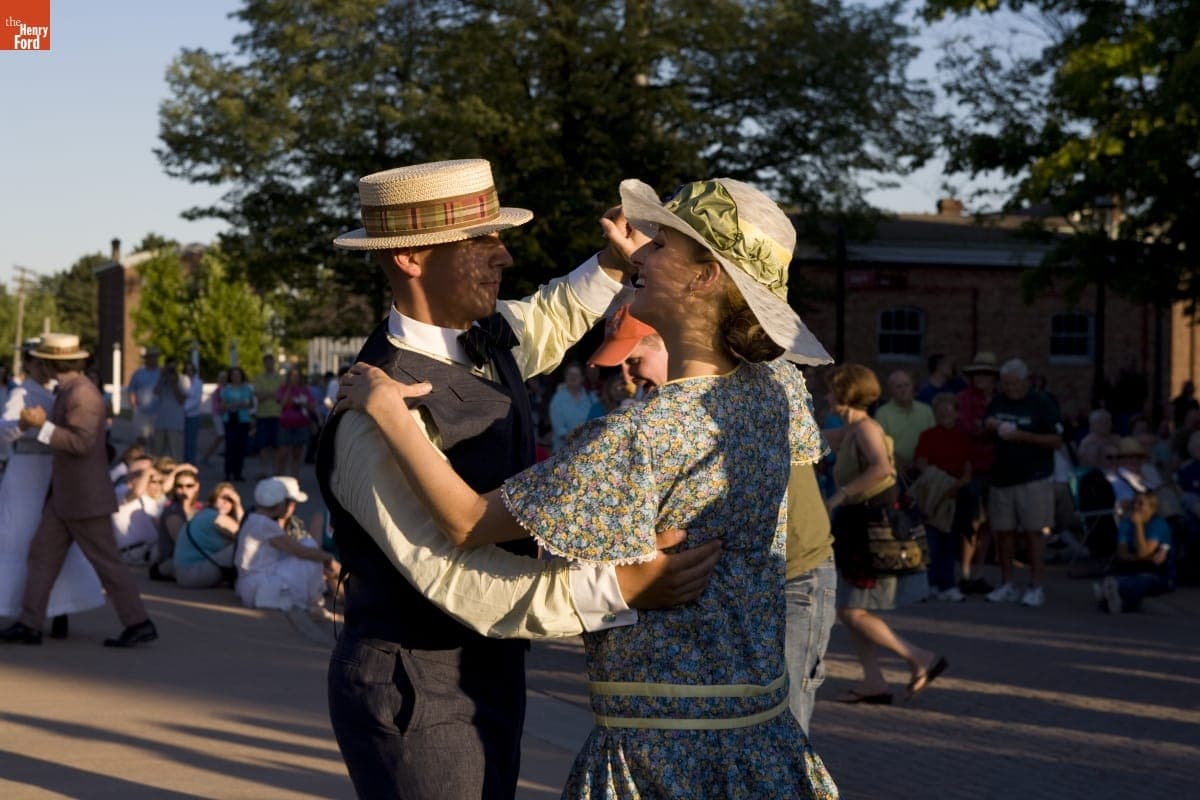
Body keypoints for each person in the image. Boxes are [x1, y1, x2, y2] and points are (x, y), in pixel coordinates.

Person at [334, 174, 840, 797]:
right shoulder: (774, 385)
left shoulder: (520, 359)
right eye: (483, 239)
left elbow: (546, 319)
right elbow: (449, 573)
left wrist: (612, 264)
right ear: (410, 258)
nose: (507, 254)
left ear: (707, 276)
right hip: (420, 683)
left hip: (568, 695)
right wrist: (617, 588)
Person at [588, 303, 838, 736]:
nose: (628, 376)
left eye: (634, 360)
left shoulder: (748, 379)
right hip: (744, 586)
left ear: (672, 341)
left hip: (794, 577)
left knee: (782, 729)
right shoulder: (657, 413)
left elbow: (759, 314)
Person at [0, 333, 157, 647]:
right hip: (66, 496)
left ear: (51, 362)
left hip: (83, 498)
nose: (39, 365)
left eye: (41, 359)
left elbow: (80, 443)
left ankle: (138, 622)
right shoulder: (71, 390)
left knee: (106, 562)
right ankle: (29, 624)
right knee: (42, 555)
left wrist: (41, 427)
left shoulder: (81, 394)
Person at [823, 364, 945, 705]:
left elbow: (882, 468)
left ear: (846, 393)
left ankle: (920, 657)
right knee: (851, 608)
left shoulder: (865, 428)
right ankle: (873, 681)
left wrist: (839, 495)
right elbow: (812, 439)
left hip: (870, 527)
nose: (827, 395)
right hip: (857, 526)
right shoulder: (850, 430)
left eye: (832, 390)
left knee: (851, 610)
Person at [0, 338, 104, 637]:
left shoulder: (62, 392)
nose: (42, 366)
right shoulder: (21, 393)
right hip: (26, 473)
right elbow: (3, 431)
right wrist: (22, 425)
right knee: (20, 538)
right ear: (31, 364)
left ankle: (61, 609)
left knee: (56, 544)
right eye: (36, 361)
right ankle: (16, 608)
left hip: (54, 472)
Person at [984, 358, 1062, 608]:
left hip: (1034, 476)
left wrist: (1022, 436)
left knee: (1033, 533)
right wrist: (992, 424)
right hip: (1002, 476)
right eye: (1006, 384)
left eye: (1015, 383)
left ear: (1026, 381)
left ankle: (1036, 585)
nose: (1010, 388)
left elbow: (1056, 440)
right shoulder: (998, 401)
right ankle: (1007, 583)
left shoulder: (1042, 402)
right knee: (1004, 533)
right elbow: (986, 425)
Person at [235, 477, 339, 614]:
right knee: (311, 549)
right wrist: (329, 559)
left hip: (251, 583)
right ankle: (315, 602)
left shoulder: (254, 519)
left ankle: (315, 601)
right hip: (259, 585)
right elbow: (300, 551)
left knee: (309, 547)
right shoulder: (265, 524)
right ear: (280, 504)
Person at [911, 392, 974, 602]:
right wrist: (939, 483)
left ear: (957, 413)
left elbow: (967, 467)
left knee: (950, 541)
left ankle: (948, 583)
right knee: (930, 542)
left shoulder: (963, 438)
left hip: (954, 494)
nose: (946, 414)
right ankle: (928, 584)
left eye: (950, 411)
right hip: (933, 493)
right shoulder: (927, 436)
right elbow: (921, 463)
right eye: (941, 411)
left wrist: (958, 484)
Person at [956, 352, 999, 594]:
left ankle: (980, 571)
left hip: (996, 467)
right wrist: (989, 428)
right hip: (972, 467)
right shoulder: (964, 399)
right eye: (978, 374)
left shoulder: (1000, 400)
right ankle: (965, 571)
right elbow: (967, 429)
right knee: (970, 521)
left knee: (989, 523)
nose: (982, 378)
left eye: (986, 374)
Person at [1098, 492, 1174, 612]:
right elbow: (1122, 554)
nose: (1136, 507)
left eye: (1141, 504)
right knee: (1123, 578)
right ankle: (1117, 597)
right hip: (1133, 569)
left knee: (1144, 580)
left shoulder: (1158, 525)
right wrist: (1143, 558)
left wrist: (1138, 525)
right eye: (1134, 503)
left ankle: (1114, 592)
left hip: (1157, 573)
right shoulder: (1126, 523)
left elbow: (1143, 552)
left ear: (1152, 509)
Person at [174, 481, 244, 588]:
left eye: (230, 500)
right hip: (193, 573)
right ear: (214, 499)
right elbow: (246, 534)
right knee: (243, 545)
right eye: (223, 498)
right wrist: (238, 505)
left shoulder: (202, 514)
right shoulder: (214, 516)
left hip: (184, 574)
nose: (226, 502)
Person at [874, 369, 935, 470]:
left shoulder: (926, 410)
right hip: (895, 469)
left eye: (907, 385)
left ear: (913, 387)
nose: (904, 390)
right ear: (891, 390)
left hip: (924, 467)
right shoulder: (882, 414)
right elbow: (880, 446)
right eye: (898, 387)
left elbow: (934, 441)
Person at [150, 466, 202, 581]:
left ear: (197, 486)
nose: (184, 490)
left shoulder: (201, 508)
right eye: (179, 486)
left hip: (192, 557)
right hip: (172, 560)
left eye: (189, 486)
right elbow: (182, 542)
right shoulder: (172, 511)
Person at [276, 367, 316, 477]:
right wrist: (289, 389)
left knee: (297, 453)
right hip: (285, 424)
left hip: (301, 424)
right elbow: (282, 403)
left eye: (296, 376)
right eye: (292, 376)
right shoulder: (283, 389)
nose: (294, 378)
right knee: (283, 453)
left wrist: (304, 404)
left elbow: (312, 406)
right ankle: (280, 476)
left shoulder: (305, 390)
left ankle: (294, 477)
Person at [548, 362, 596, 451]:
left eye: (576, 374)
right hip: (563, 450)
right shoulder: (557, 398)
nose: (573, 377)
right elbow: (558, 427)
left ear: (582, 378)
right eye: (570, 374)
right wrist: (572, 437)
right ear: (565, 377)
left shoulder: (592, 398)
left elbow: (597, 420)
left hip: (588, 448)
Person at [219, 366, 254, 482]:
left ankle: (238, 472)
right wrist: (234, 405)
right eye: (234, 375)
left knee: (241, 447)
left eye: (238, 375)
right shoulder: (227, 390)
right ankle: (228, 472)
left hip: (243, 420)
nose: (236, 378)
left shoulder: (247, 389)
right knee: (230, 446)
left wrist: (244, 405)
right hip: (230, 420)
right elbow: (222, 406)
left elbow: (251, 404)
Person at [252, 353, 284, 476]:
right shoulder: (258, 378)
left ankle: (276, 471)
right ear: (264, 364)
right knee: (263, 445)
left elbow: (280, 395)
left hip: (278, 414)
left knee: (277, 445)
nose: (269, 365)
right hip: (263, 414)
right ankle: (264, 470)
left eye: (271, 362)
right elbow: (259, 395)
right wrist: (272, 394)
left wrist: (267, 394)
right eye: (266, 362)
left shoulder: (280, 378)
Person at [152, 355, 188, 460]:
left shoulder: (183, 380)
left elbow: (181, 400)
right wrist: (162, 377)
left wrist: (174, 384)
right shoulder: (161, 378)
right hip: (161, 422)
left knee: (176, 455)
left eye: (173, 368)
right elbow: (156, 392)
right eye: (169, 368)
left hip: (175, 423)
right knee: (157, 455)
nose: (171, 370)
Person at [126, 346, 161, 444]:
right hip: (141, 412)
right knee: (140, 441)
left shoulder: (161, 373)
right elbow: (131, 391)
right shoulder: (138, 373)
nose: (153, 359)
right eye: (151, 357)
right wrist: (134, 408)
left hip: (157, 413)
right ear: (147, 358)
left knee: (155, 442)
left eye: (155, 357)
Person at [202, 369, 228, 465]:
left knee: (223, 436)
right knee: (220, 436)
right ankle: (206, 456)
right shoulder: (220, 390)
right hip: (219, 415)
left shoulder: (222, 389)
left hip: (221, 415)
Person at [182, 361, 205, 464]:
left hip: (193, 415)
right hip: (182, 416)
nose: (189, 372)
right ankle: (184, 461)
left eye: (191, 370)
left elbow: (196, 400)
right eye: (187, 370)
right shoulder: (181, 382)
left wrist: (184, 409)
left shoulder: (198, 383)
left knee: (191, 441)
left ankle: (191, 462)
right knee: (183, 441)